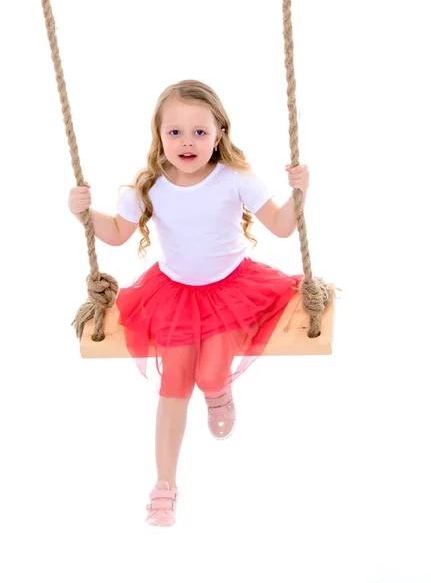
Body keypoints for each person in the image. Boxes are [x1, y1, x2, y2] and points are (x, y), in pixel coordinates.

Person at [68, 79, 309, 527]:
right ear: (158, 135)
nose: (187, 141)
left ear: (219, 133)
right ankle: (164, 486)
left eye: (200, 131)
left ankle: (218, 394)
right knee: (174, 382)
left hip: (231, 289)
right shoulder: (148, 187)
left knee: (210, 373)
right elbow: (118, 234)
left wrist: (299, 194)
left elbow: (280, 226)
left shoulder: (235, 179)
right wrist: (85, 213)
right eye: (174, 131)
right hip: (174, 294)